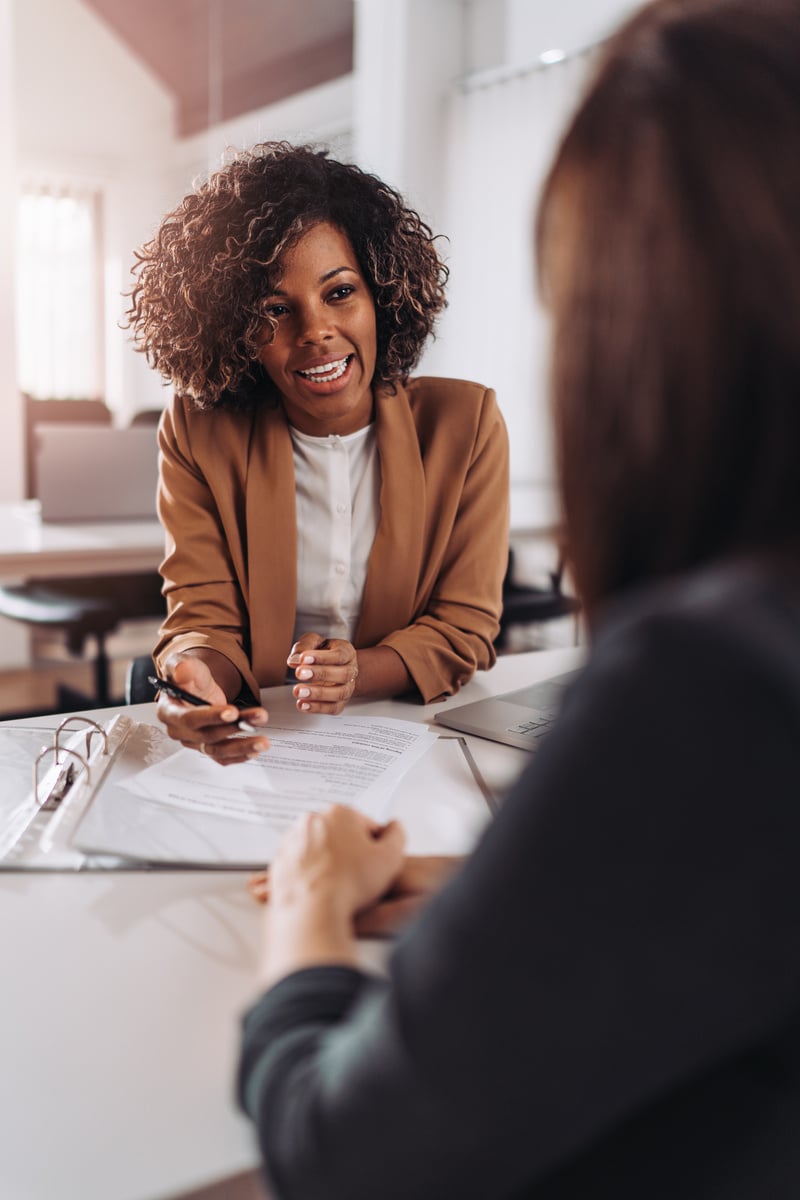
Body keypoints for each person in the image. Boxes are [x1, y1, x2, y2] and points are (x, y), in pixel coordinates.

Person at [237, 0, 800, 1196]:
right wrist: (525, 889)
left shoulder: (706, 685)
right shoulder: (211, 439)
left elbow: (344, 1156)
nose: (313, 332)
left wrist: (310, 906)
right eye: (276, 309)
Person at [125, 143, 509, 764]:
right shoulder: (198, 429)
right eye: (275, 309)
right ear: (233, 329)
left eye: (339, 292)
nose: (314, 332)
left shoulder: (465, 425)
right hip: (264, 745)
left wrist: (361, 671)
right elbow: (203, 616)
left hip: (417, 737)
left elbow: (465, 628)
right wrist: (191, 680)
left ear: (381, 294)